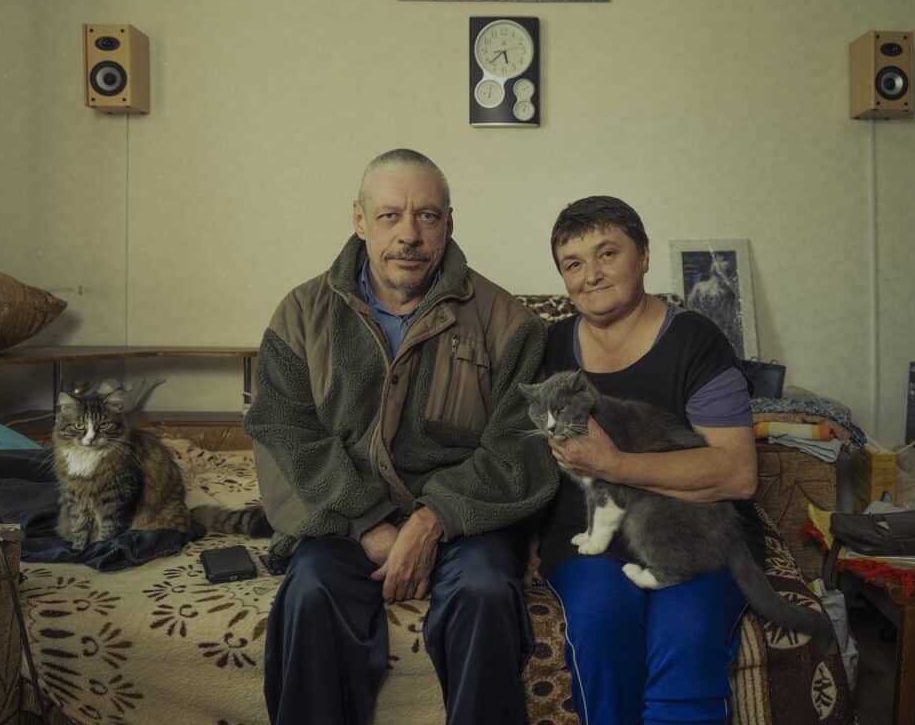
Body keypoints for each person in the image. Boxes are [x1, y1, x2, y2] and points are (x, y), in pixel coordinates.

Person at [244, 148, 558, 725]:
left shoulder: (509, 322)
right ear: (360, 220)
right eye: (390, 216)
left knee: (488, 594)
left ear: (449, 224)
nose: (409, 234)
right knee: (309, 594)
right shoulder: (301, 313)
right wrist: (368, 524)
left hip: (466, 523)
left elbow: (520, 446)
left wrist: (432, 519)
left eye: (427, 216)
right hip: (342, 518)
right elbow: (283, 431)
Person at [537, 195, 763, 725]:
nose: (591, 275)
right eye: (573, 264)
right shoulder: (547, 348)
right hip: (588, 543)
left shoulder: (696, 342)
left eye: (606, 254)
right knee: (598, 618)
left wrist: (613, 464)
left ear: (642, 255)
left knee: (685, 632)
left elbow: (738, 473)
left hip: (694, 531)